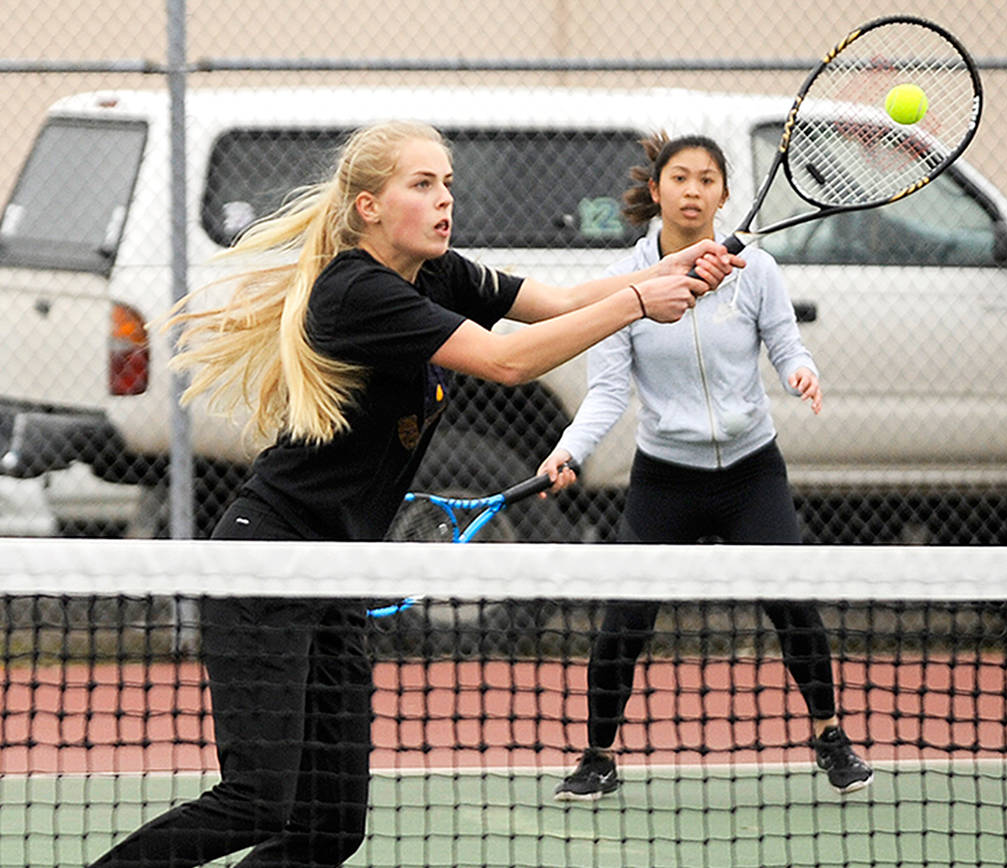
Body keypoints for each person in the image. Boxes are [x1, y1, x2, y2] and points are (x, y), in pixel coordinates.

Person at [87, 121, 740, 868]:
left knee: (332, 826)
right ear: (368, 206)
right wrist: (637, 304)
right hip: (266, 562)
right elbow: (504, 361)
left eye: (448, 185)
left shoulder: (435, 272)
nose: (443, 200)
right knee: (257, 800)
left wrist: (668, 263)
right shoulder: (355, 290)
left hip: (340, 572)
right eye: (421, 185)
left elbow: (559, 303)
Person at [537, 132, 872, 802]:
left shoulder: (757, 271)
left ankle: (831, 735)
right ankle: (598, 755)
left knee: (793, 606)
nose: (693, 190)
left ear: (723, 193)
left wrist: (801, 371)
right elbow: (607, 390)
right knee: (623, 622)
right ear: (655, 190)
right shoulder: (630, 282)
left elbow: (784, 342)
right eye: (680, 178)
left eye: (707, 179)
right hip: (665, 478)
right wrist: (569, 449)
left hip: (752, 471)